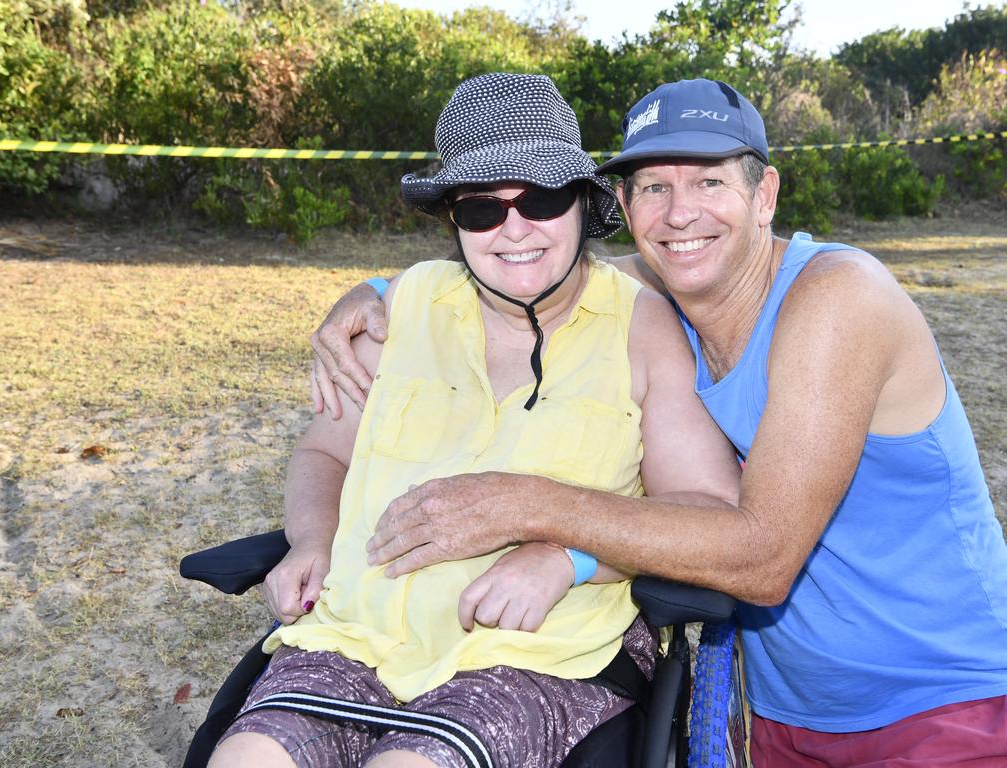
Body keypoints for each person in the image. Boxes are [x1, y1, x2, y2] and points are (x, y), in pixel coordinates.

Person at [312, 78, 1007, 766]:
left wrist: (525, 509)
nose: (680, 215)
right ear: (621, 204)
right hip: (781, 712)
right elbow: (527, 262)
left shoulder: (837, 299)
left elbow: (762, 560)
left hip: (943, 699)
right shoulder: (656, 287)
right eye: (653, 188)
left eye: (709, 182)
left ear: (764, 196)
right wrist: (375, 293)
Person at [209, 73, 740, 768]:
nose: (514, 229)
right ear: (452, 222)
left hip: (539, 651)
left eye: (542, 199)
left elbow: (705, 510)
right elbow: (323, 455)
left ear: (585, 203)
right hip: (354, 636)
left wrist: (570, 558)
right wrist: (311, 539)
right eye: (482, 209)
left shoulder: (641, 327)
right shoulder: (396, 311)